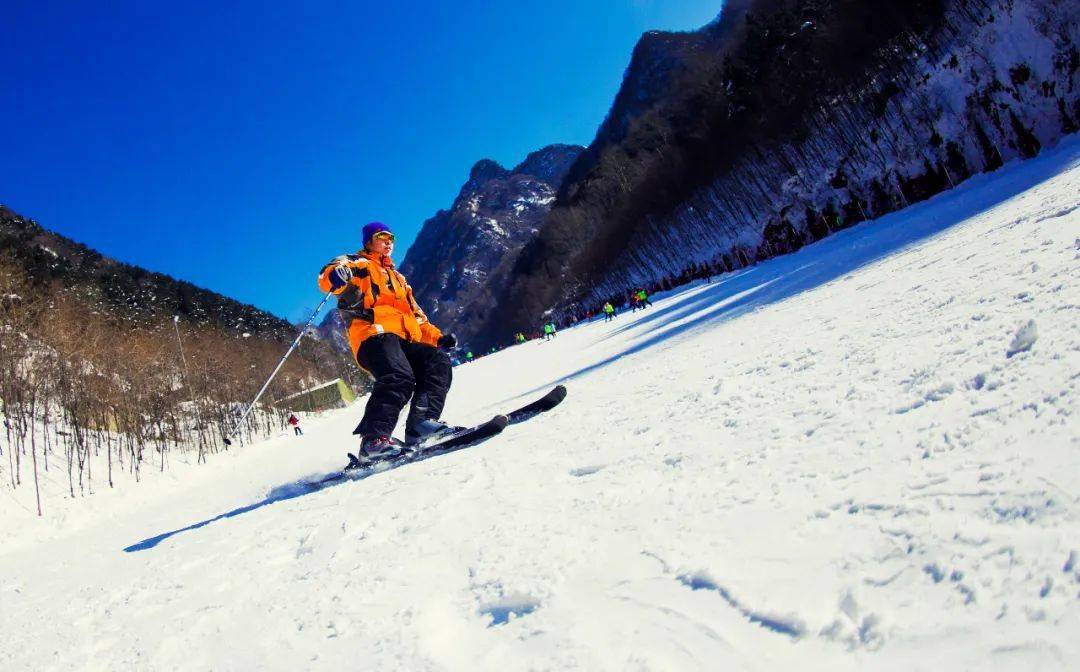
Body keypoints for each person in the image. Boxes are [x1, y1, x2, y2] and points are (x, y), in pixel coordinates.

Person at [318, 222, 458, 458]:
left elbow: (417, 318)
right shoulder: (359, 264)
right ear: (369, 241)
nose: (388, 241)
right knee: (399, 376)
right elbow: (327, 276)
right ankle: (373, 441)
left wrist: (438, 338)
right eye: (382, 237)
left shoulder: (400, 280)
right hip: (373, 336)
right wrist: (336, 274)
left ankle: (421, 424)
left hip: (404, 339)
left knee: (437, 362)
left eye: (391, 238)